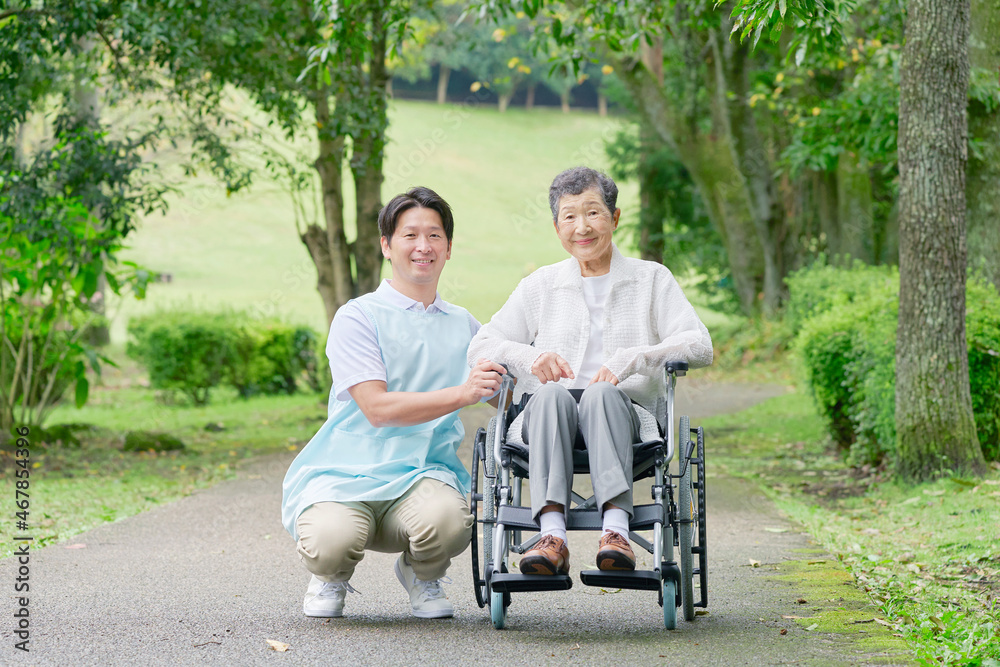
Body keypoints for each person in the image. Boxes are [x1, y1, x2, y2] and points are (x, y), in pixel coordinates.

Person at [467, 166, 713, 576]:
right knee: (550, 394)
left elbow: (699, 345)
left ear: (614, 218)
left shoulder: (652, 279)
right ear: (556, 226)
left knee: (600, 394)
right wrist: (531, 358)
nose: (582, 226)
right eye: (569, 216)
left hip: (626, 416)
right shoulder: (540, 286)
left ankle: (615, 533)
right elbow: (481, 345)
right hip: (546, 417)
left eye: (594, 213)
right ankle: (552, 538)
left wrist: (632, 359)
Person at [282, 186, 506, 618]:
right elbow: (377, 409)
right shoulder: (358, 317)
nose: (423, 247)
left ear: (449, 247)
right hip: (344, 475)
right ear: (387, 245)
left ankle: (423, 574)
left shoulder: (465, 326)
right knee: (330, 540)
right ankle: (330, 577)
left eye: (435, 236)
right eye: (409, 235)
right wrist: (463, 393)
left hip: (423, 475)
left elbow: (507, 397)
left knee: (449, 521)